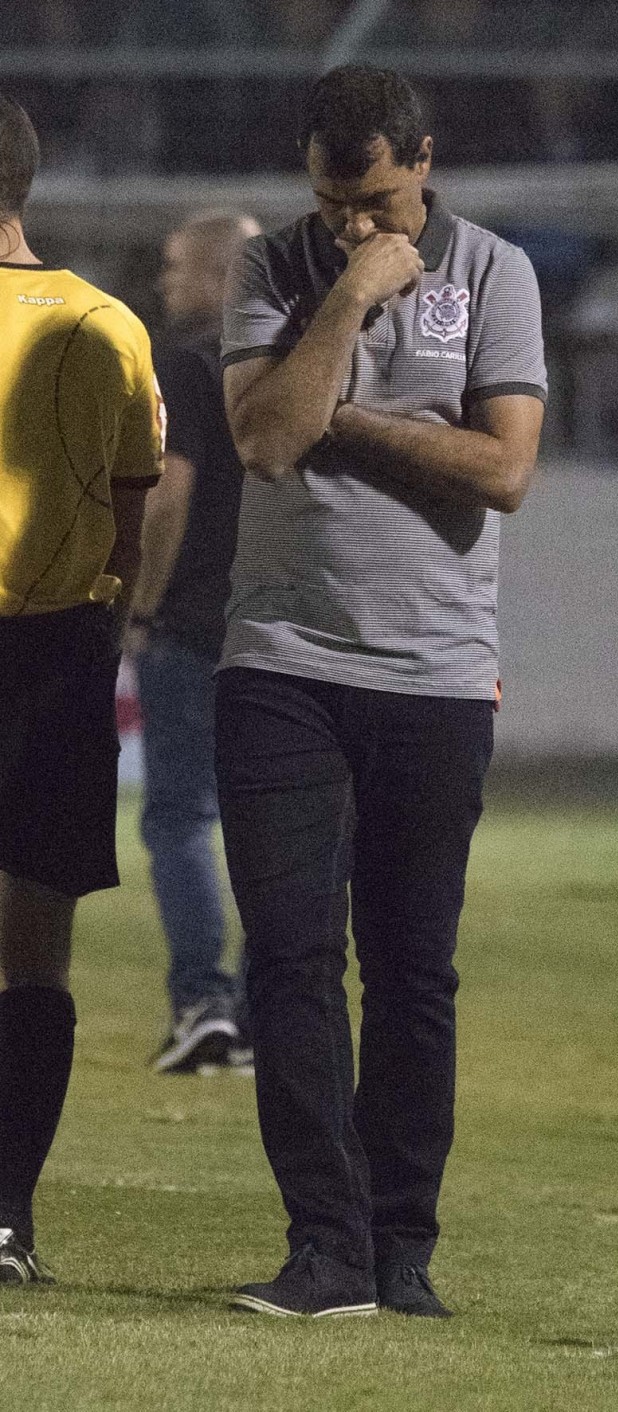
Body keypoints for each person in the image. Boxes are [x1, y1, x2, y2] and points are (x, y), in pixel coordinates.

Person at [216, 64, 546, 1319]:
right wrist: (352, 296)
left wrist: (338, 419)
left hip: (437, 672)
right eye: (331, 202)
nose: (354, 224)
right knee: (291, 959)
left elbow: (502, 469)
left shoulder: (494, 273)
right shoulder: (276, 269)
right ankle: (326, 1247)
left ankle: (402, 1247)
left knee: (414, 968)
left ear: (422, 158)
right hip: (283, 664)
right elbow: (259, 439)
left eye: (377, 203)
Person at [0, 96, 164, 1284]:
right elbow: (133, 506)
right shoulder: (108, 322)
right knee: (35, 947)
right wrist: (101, 624)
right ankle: (8, 1218)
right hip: (59, 650)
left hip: (49, 646)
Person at [123, 210, 260, 1076]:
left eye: (179, 266)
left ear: (218, 273)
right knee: (268, 829)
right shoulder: (285, 364)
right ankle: (256, 1014)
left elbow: (169, 500)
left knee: (179, 818)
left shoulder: (187, 362)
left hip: (192, 629)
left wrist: (140, 607)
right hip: (275, 628)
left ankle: (203, 1002)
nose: (168, 281)